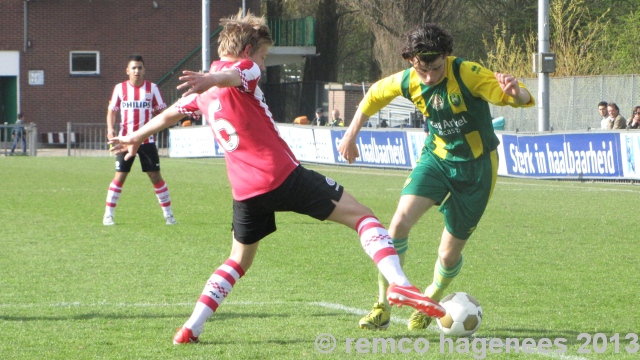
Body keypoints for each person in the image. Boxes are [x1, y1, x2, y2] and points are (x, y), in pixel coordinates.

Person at [108, 11, 445, 345]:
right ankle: (398, 282)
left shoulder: (202, 90)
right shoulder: (242, 71)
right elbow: (240, 72)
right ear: (249, 49)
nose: (263, 62)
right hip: (282, 176)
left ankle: (191, 328)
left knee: (238, 260)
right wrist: (214, 80)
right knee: (363, 217)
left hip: (245, 192)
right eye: (264, 55)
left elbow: (171, 113)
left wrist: (136, 135)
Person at [338, 23, 535, 331]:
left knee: (448, 253)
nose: (428, 77)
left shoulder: (468, 73)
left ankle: (431, 297)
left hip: (476, 170)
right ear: (411, 62)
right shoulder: (408, 80)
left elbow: (516, 97)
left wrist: (517, 92)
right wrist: (351, 135)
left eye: (435, 68)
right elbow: (373, 96)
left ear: (446, 55)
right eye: (421, 70)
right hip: (436, 159)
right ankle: (382, 304)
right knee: (398, 224)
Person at [102, 54, 176, 226]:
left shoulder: (153, 89)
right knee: (120, 176)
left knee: (155, 176)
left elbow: (162, 112)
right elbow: (112, 110)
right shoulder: (120, 88)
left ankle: (169, 215)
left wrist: (157, 124)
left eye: (140, 67)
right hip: (125, 141)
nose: (137, 71)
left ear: (144, 70)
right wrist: (110, 129)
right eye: (133, 68)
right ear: (127, 70)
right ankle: (108, 215)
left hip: (147, 140)